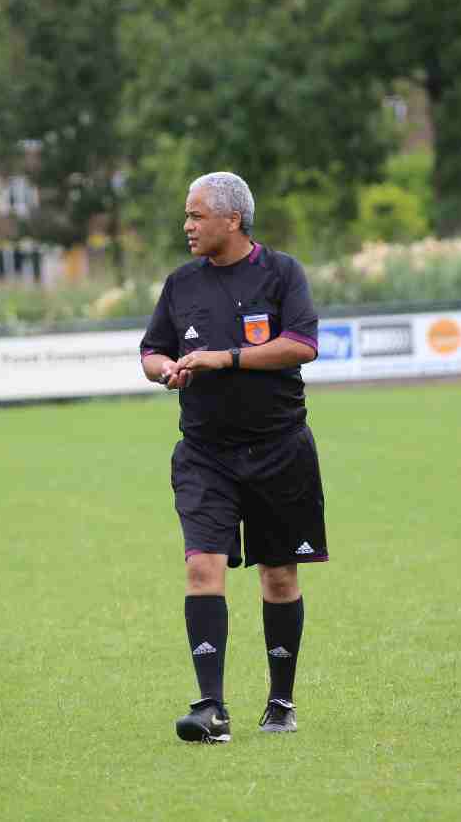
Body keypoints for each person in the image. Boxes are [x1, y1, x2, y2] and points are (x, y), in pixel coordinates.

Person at [139, 171, 325, 743]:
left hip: (280, 451)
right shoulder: (180, 283)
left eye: (197, 215)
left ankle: (281, 701)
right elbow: (152, 350)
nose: (187, 226)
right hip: (205, 455)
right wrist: (164, 370)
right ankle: (211, 709)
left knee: (279, 576)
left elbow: (303, 345)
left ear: (233, 219)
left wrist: (226, 357)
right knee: (202, 568)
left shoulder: (282, 273)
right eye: (187, 215)